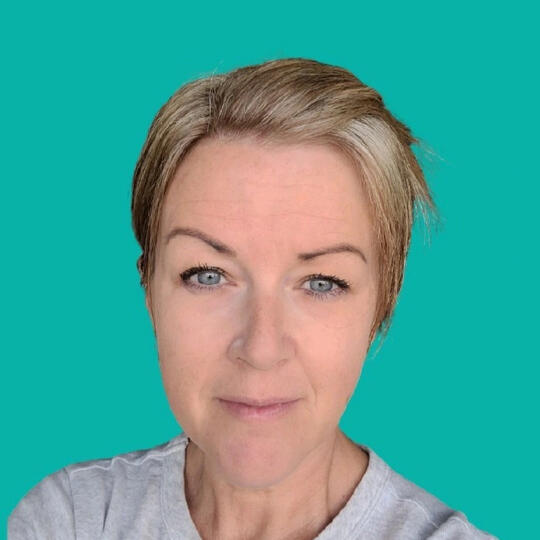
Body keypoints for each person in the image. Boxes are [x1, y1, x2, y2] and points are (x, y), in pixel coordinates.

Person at [8, 57, 498, 539]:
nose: (261, 349)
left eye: (321, 283)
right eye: (207, 276)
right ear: (148, 291)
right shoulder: (70, 522)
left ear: (381, 305)